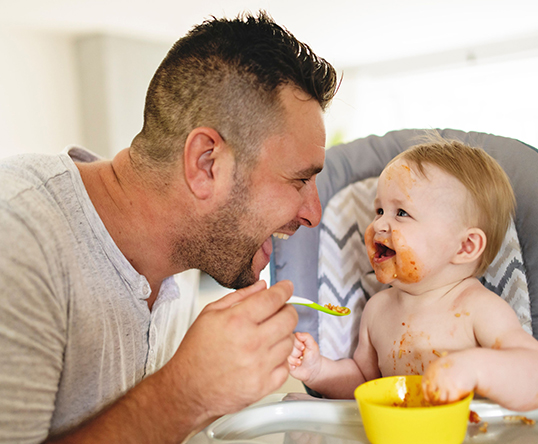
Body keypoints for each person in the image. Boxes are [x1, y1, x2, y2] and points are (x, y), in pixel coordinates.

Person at [0, 11, 337, 443]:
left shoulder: (182, 262)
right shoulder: (18, 238)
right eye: (300, 179)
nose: (314, 212)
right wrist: (184, 393)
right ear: (206, 164)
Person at [288, 137, 538, 411]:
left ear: (465, 246)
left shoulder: (478, 308)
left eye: (401, 213)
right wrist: (319, 371)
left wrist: (474, 369)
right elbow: (364, 384)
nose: (379, 223)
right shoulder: (377, 310)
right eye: (379, 210)